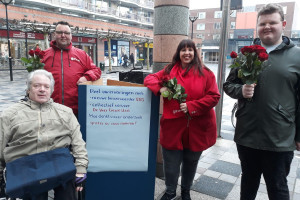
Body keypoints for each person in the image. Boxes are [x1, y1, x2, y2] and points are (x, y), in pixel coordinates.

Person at [223, 4, 300, 200]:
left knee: (278, 188)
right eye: (262, 23)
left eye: (272, 22)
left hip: (279, 138)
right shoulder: (246, 54)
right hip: (247, 134)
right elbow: (228, 84)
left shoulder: (296, 56)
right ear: (257, 27)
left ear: (283, 24)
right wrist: (241, 90)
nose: (267, 27)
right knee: (248, 184)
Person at [144, 39, 220, 200]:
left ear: (195, 52)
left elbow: (214, 96)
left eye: (190, 50)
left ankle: (185, 191)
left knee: (191, 163)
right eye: (183, 50)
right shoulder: (169, 70)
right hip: (173, 127)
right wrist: (160, 88)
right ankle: (170, 191)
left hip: (197, 127)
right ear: (178, 53)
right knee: (170, 163)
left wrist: (192, 106)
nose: (187, 53)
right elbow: (149, 79)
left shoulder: (206, 73)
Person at [0, 69, 88, 200]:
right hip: (26, 167)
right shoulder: (10, 114)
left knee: (69, 189)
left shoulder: (66, 112)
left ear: (51, 90)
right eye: (37, 86)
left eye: (46, 86)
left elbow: (78, 143)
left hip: (59, 165)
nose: (42, 89)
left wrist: (81, 168)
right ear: (28, 88)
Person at [43, 21, 101, 116]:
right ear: (54, 35)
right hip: (49, 110)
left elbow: (96, 70)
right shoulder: (44, 55)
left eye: (66, 33)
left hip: (75, 111)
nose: (63, 35)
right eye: (59, 32)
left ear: (71, 36)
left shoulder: (81, 54)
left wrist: (86, 77)